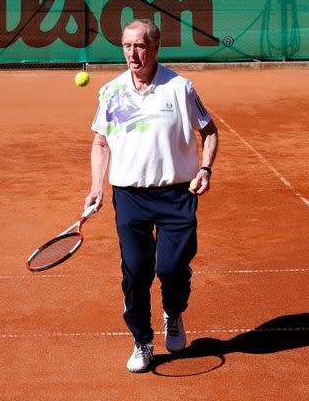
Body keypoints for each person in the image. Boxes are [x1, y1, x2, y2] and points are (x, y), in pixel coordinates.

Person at [84, 19, 219, 373]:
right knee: (136, 272)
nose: (132, 53)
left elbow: (210, 131)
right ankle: (142, 340)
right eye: (127, 46)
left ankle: (173, 313)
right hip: (130, 195)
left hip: (177, 193)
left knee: (172, 268)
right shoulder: (111, 92)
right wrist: (97, 187)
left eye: (140, 46)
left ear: (155, 47)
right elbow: (101, 143)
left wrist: (205, 168)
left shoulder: (180, 87)